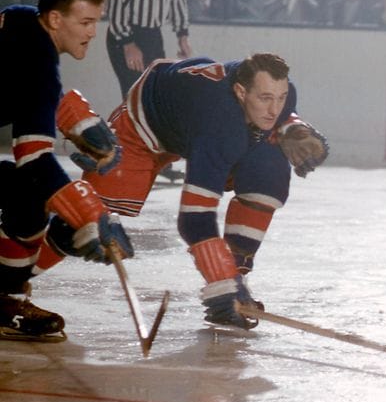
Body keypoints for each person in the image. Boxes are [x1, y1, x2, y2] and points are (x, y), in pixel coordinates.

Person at [38, 53, 329, 330]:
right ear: (241, 92)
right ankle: (15, 281)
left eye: (280, 98)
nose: (274, 109)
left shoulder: (280, 95)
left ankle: (237, 276)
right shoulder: (219, 124)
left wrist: (292, 126)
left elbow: (278, 112)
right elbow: (194, 219)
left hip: (192, 121)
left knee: (269, 170)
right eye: (265, 98)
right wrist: (221, 280)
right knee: (82, 224)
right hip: (143, 127)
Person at [0, 0, 132, 342]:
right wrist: (88, 213)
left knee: (25, 192)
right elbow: (34, 159)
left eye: (96, 22)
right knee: (29, 192)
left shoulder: (21, 18)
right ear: (56, 19)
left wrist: (75, 121)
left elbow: (22, 90)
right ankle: (5, 299)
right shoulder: (39, 62)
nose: (92, 32)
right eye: (85, 22)